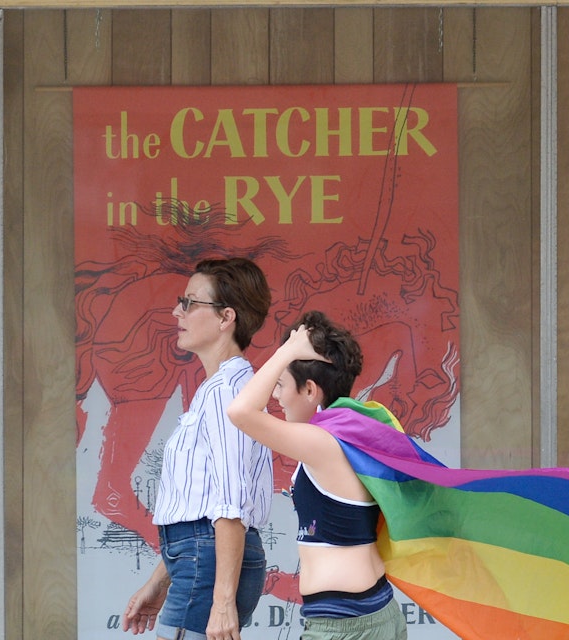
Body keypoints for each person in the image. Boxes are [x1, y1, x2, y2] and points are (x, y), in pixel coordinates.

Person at [225, 311, 407, 640]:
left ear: (310, 390)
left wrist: (286, 353)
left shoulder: (324, 442)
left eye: (280, 385)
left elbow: (240, 411)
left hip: (344, 624)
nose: (275, 397)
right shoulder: (354, 428)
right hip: (372, 611)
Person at [122, 257, 274, 640]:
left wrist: (222, 602)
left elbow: (230, 504)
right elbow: (200, 509)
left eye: (190, 302)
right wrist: (161, 580)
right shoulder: (218, 389)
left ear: (226, 317)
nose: (178, 312)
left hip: (206, 564)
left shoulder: (229, 391)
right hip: (197, 561)